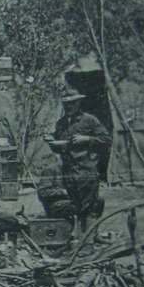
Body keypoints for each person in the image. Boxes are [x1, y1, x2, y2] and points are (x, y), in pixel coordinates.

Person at [47, 89, 110, 241]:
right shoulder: (61, 123)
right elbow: (58, 146)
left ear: (78, 103)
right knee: (76, 207)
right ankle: (80, 240)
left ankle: (87, 244)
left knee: (89, 208)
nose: (69, 106)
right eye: (66, 104)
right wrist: (50, 140)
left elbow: (106, 140)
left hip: (85, 170)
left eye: (72, 103)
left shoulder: (89, 120)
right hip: (68, 172)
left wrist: (87, 139)